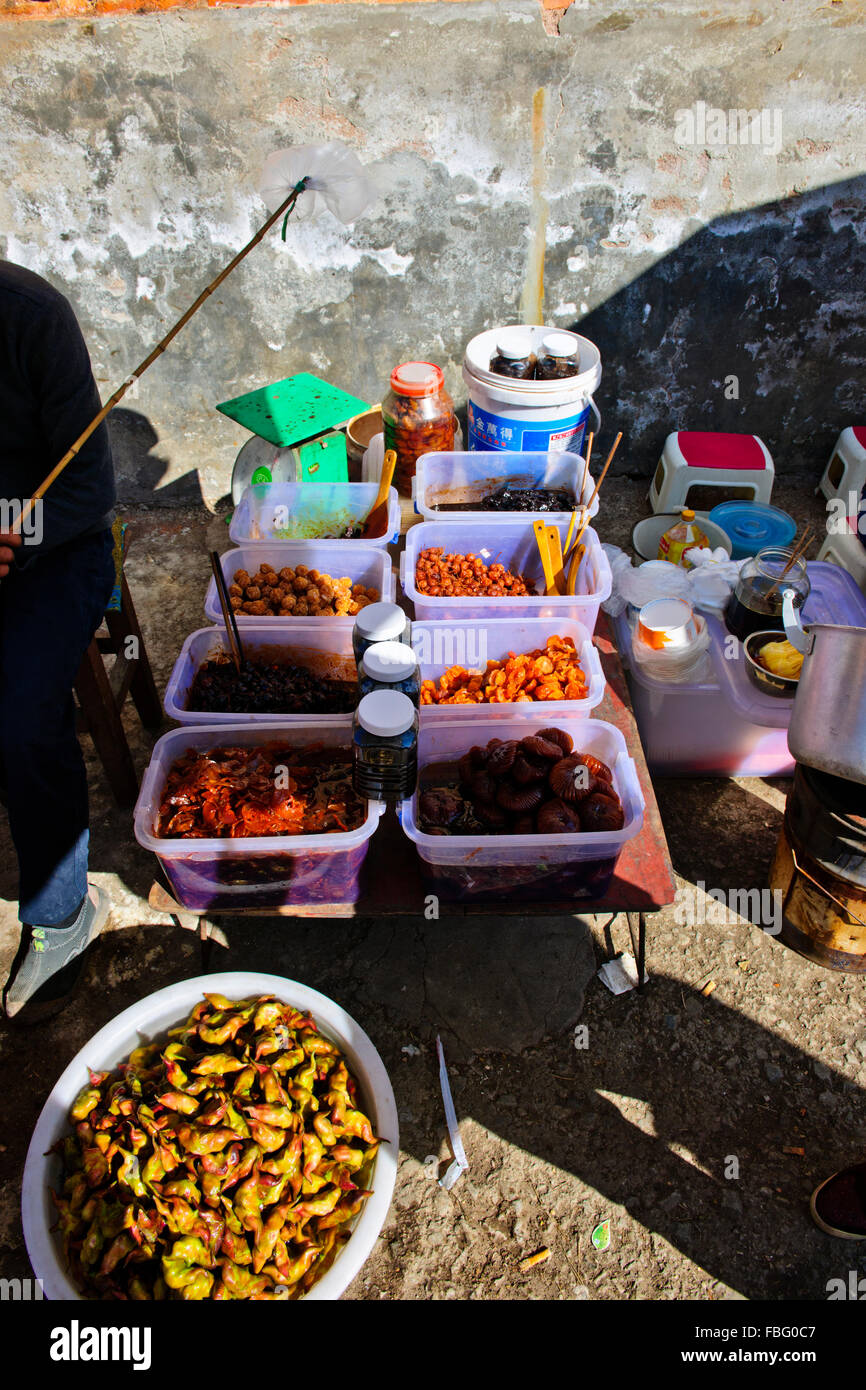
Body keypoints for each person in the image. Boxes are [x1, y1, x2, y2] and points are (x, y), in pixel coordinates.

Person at [0, 260, 117, 1023]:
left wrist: (14, 528)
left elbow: (87, 491)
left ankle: (63, 913)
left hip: (51, 546)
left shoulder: (31, 315)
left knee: (15, 716)